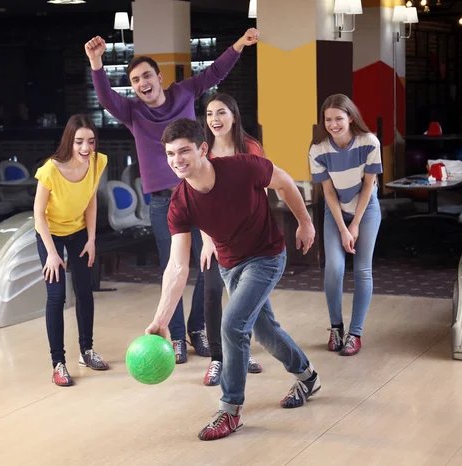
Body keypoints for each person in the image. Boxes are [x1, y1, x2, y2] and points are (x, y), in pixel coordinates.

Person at [84, 28, 259, 365]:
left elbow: (214, 73)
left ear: (159, 77)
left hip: (200, 193)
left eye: (147, 75)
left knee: (209, 263)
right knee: (173, 267)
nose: (142, 83)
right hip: (164, 202)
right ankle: (176, 336)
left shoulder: (183, 92)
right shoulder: (133, 112)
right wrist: (96, 62)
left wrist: (238, 44)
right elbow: (106, 98)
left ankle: (199, 329)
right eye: (135, 80)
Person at [146, 118, 321, 441]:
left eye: (184, 151)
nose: (176, 160)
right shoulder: (180, 203)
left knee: (232, 324)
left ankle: (230, 411)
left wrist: (305, 223)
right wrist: (161, 319)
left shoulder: (243, 167)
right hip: (230, 265)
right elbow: (177, 265)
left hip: (267, 255)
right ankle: (307, 376)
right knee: (264, 330)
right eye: (170, 154)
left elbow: (284, 182)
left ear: (202, 149)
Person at [33, 114, 110, 387]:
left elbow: (91, 202)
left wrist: (91, 239)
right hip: (50, 233)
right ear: (70, 141)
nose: (86, 148)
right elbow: (38, 214)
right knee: (56, 296)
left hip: (79, 232)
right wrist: (52, 254)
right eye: (79, 142)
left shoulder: (98, 162)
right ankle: (58, 363)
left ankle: (86, 350)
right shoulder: (50, 170)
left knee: (84, 290)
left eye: (90, 141)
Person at [199, 93, 265, 386]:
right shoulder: (203, 152)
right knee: (212, 290)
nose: (215, 119)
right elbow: (198, 197)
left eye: (222, 113)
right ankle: (217, 358)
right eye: (210, 113)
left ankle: (240, 351)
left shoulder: (250, 148)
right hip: (215, 236)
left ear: (234, 116)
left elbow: (263, 190)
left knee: (243, 298)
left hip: (249, 236)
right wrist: (207, 240)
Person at [308, 94, 382, 357]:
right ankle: (336, 327)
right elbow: (328, 193)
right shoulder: (318, 149)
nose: (333, 124)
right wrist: (342, 228)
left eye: (339, 118)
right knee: (334, 268)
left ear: (350, 117)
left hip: (366, 209)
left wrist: (356, 225)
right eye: (328, 120)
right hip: (336, 211)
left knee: (362, 270)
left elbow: (369, 185)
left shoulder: (369, 142)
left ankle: (355, 333)